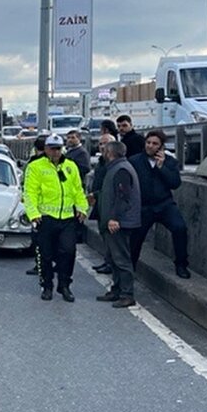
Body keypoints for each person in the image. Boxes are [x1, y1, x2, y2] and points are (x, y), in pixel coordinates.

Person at [23, 134, 89, 302]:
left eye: (58, 148)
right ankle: (47, 286)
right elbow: (30, 192)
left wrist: (82, 208)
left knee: (68, 252)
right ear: (46, 149)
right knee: (45, 255)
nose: (55, 152)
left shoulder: (70, 166)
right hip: (45, 218)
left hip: (67, 218)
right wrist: (33, 213)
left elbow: (78, 190)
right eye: (52, 148)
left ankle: (64, 285)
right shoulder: (36, 166)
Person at [129, 130, 191, 279]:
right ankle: (129, 269)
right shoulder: (135, 161)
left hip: (164, 204)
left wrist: (161, 167)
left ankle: (181, 264)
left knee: (180, 228)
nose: (150, 146)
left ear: (161, 146)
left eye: (155, 144)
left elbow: (175, 183)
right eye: (148, 142)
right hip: (144, 206)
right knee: (135, 239)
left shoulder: (170, 162)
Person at [95, 141, 141, 308]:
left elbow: (123, 196)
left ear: (110, 153)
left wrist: (114, 218)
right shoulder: (117, 168)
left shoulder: (121, 170)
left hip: (119, 222)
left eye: (105, 150)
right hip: (117, 221)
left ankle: (127, 294)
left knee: (121, 259)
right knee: (114, 258)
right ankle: (117, 290)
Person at [88, 131, 117, 274]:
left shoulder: (115, 164)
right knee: (104, 234)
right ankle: (107, 261)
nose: (102, 146)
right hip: (99, 202)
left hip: (109, 204)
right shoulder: (101, 162)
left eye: (106, 143)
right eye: (100, 144)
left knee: (112, 237)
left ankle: (111, 264)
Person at [23, 135, 47, 276]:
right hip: (54, 210)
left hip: (38, 208)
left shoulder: (33, 164)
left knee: (39, 240)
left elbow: (27, 186)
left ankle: (40, 265)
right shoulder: (57, 162)